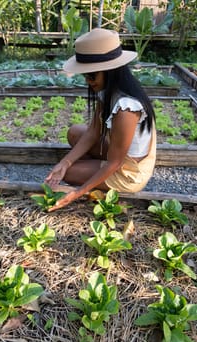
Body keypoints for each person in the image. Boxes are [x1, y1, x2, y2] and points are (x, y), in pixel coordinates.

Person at [45, 28, 156, 211]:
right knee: (75, 133)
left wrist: (76, 193)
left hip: (129, 172)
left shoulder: (126, 107)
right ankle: (90, 167)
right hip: (119, 155)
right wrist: (63, 163)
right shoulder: (108, 92)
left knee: (72, 173)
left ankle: (92, 170)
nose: (88, 80)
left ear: (110, 70)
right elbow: (92, 132)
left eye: (91, 74)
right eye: (85, 75)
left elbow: (115, 162)